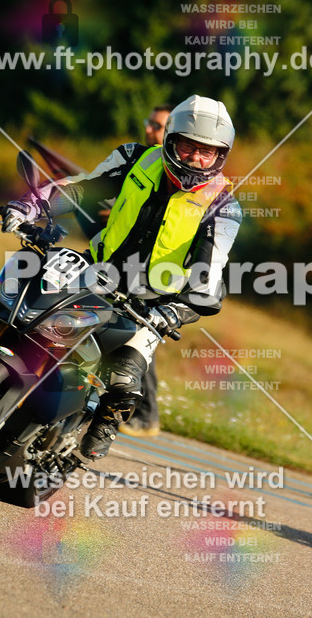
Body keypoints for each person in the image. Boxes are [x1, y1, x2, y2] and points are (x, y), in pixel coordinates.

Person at [1, 95, 241, 460]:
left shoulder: (223, 205)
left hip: (149, 304)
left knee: (125, 377)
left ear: (220, 155)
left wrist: (177, 310)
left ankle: (100, 429)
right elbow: (82, 188)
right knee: (20, 310)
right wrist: (31, 204)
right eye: (188, 146)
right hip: (92, 272)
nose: (195, 158)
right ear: (170, 139)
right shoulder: (134, 158)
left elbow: (210, 270)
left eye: (206, 152)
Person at [120, 104, 172, 437]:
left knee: (140, 336)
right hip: (125, 263)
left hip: (157, 273)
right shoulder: (142, 161)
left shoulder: (176, 176)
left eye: (158, 126)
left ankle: (147, 415)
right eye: (149, 123)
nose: (150, 130)